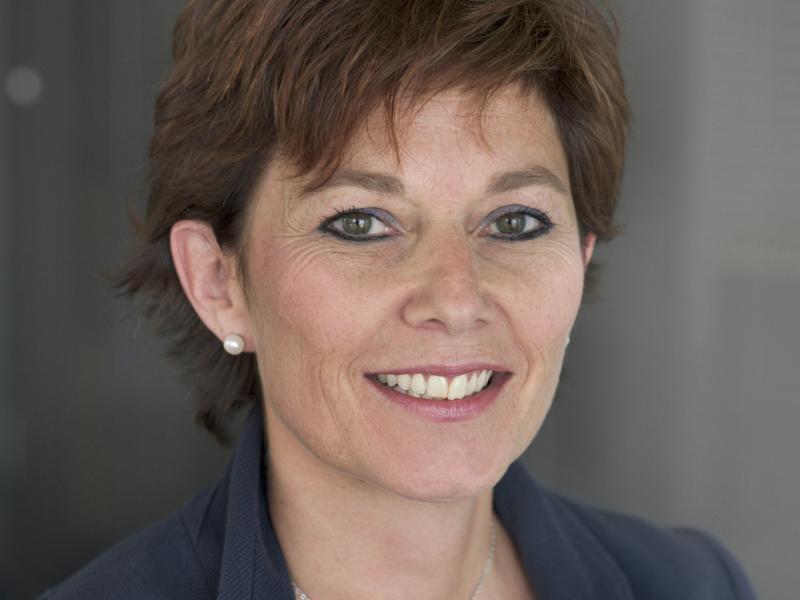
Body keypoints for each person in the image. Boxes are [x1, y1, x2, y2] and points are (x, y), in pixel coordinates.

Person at [43, 0, 756, 598]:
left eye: (515, 223)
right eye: (360, 224)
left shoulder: (694, 585)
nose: (456, 298)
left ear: (579, 258)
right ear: (219, 283)